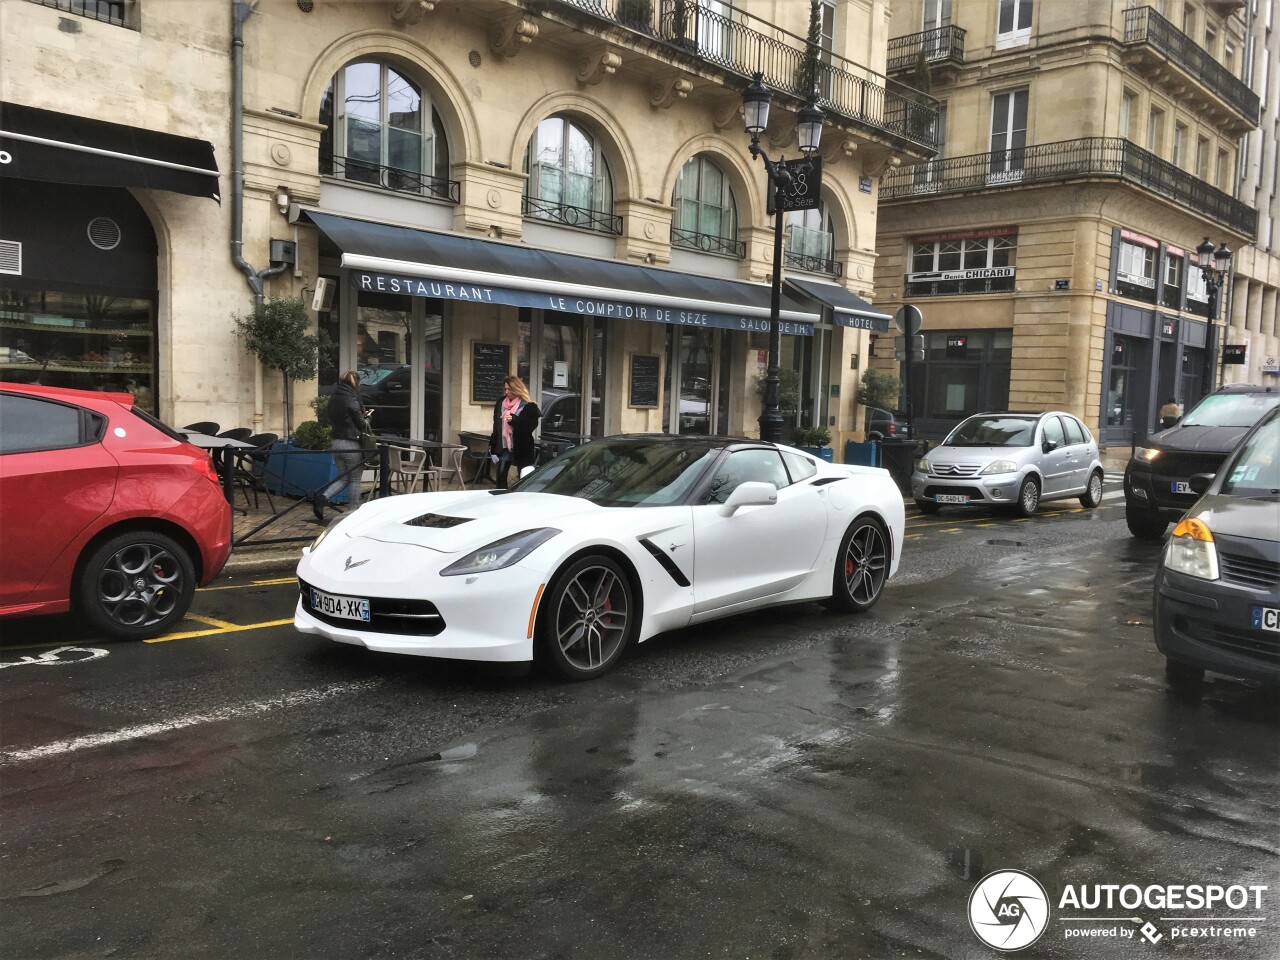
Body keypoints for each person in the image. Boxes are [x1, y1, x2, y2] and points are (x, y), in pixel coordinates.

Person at [314, 370, 369, 521]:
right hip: (351, 443)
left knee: (345, 478)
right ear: (355, 383)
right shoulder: (351, 399)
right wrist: (367, 419)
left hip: (336, 443)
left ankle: (323, 498)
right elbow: (361, 424)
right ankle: (353, 513)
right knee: (356, 479)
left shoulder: (333, 398)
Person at [488, 375, 541, 489]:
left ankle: (521, 499)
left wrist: (515, 420)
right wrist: (492, 445)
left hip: (521, 447)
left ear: (516, 389)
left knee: (524, 478)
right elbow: (497, 425)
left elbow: (530, 427)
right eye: (505, 389)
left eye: (509, 389)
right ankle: (501, 499)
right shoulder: (501, 403)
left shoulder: (528, 406)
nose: (506, 392)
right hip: (503, 446)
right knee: (501, 476)